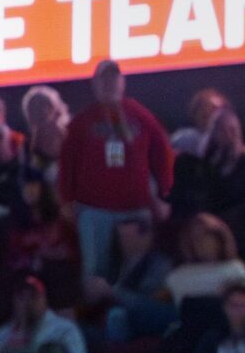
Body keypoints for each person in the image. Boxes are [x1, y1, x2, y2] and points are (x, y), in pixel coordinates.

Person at [57, 59, 173, 280]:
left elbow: (163, 151)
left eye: (114, 78)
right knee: (96, 271)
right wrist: (66, 200)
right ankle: (98, 313)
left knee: (141, 271)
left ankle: (136, 311)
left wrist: (165, 192)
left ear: (123, 82)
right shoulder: (82, 122)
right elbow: (67, 162)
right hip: (94, 210)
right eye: (104, 79)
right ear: (95, 84)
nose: (110, 83)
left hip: (136, 207)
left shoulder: (139, 115)